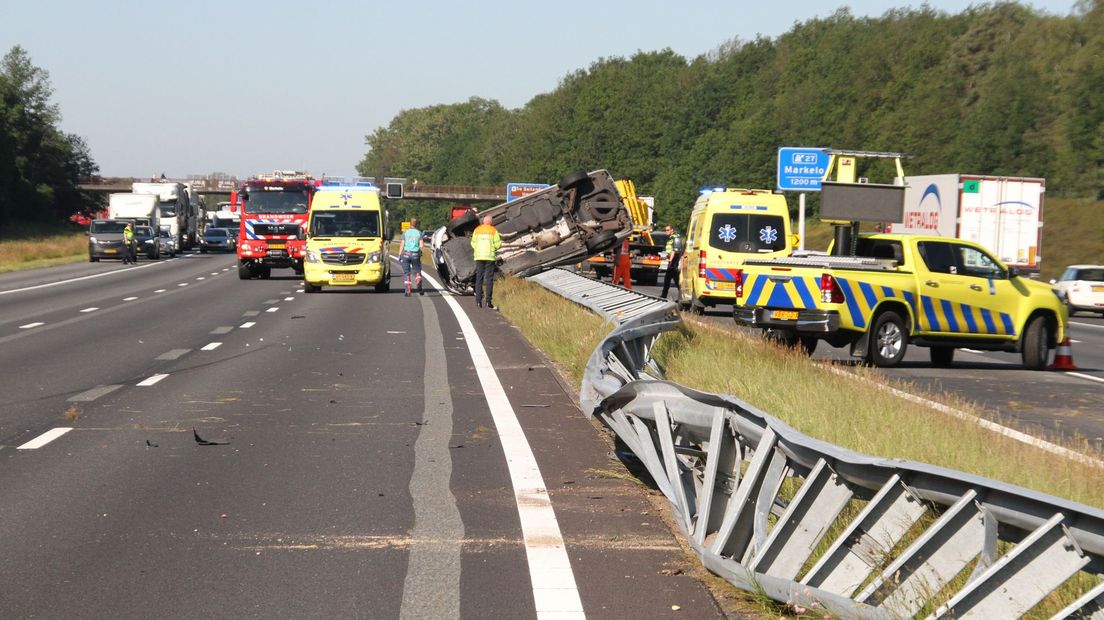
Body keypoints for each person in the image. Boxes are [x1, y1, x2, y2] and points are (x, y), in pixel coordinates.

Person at [471, 215, 502, 309]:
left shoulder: (477, 230)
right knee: (489, 279)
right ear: (491, 222)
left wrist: (478, 249)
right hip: (489, 257)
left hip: (479, 257)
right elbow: (498, 244)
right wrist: (494, 247)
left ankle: (478, 301)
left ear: (483, 222)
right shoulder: (493, 230)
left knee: (479, 279)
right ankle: (488, 301)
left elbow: (472, 243)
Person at [400, 218, 424, 296]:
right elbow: (421, 245)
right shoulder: (419, 233)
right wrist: (420, 251)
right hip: (415, 254)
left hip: (406, 254)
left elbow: (402, 244)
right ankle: (418, 278)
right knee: (417, 270)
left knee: (407, 272)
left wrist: (400, 254)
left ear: (410, 224)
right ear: (416, 224)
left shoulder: (405, 232)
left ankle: (408, 290)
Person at [660, 224, 685, 300]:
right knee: (669, 278)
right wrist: (665, 257)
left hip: (674, 260)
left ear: (672, 230)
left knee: (674, 278)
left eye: (667, 230)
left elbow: (674, 250)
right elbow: (669, 250)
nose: (666, 232)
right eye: (665, 230)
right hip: (671, 260)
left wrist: (670, 260)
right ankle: (664, 295)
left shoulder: (676, 237)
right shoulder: (670, 238)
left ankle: (681, 296)